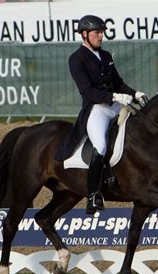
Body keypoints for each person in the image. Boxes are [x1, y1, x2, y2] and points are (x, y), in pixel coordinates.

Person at [55, 15, 147, 215]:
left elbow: (119, 82)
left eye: (101, 32)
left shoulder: (106, 56)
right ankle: (93, 195)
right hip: (97, 109)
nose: (101, 36)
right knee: (101, 145)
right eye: (97, 33)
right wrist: (113, 95)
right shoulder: (76, 59)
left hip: (115, 105)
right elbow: (87, 91)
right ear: (85, 34)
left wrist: (134, 93)